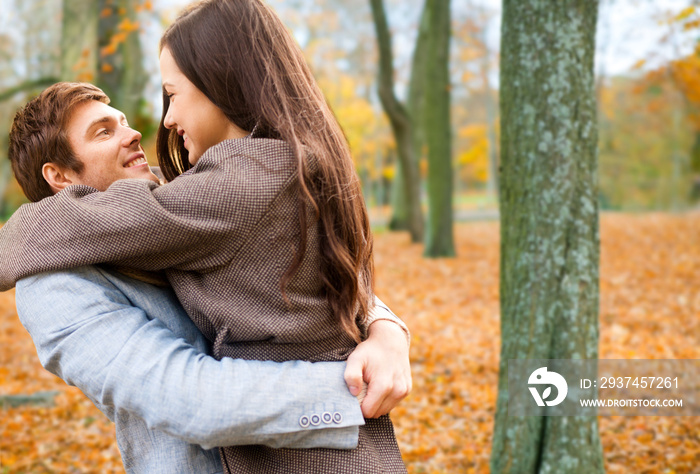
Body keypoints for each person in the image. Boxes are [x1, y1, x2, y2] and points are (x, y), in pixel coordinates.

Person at [0, 0, 408, 472]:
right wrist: (352, 387)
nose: (143, 131)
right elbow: (190, 399)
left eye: (170, 97)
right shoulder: (53, 283)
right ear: (61, 178)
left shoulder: (214, 189)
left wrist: (385, 330)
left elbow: (322, 265)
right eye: (103, 131)